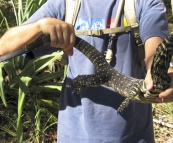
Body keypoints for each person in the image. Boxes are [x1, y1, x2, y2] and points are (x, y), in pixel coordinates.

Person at [0, 0, 173, 142]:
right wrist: (39, 27)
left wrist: (160, 74)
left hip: (133, 137)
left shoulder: (145, 3)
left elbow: (156, 50)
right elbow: (3, 49)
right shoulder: (66, 4)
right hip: (74, 136)